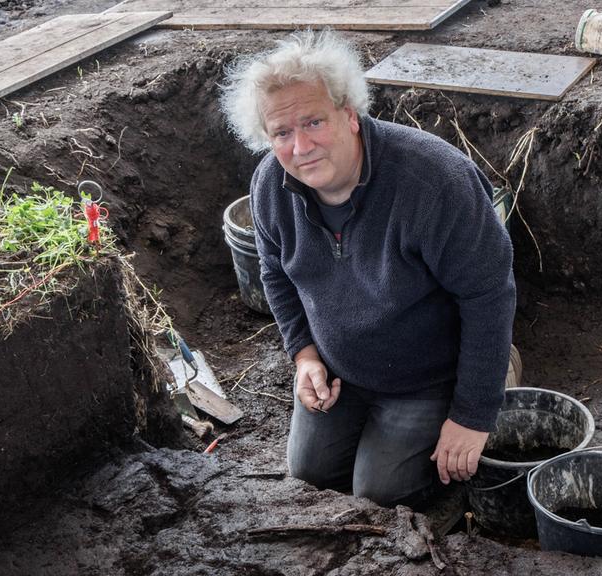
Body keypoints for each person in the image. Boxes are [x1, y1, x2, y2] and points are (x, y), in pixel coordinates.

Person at [220, 30, 516, 507]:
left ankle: (502, 370)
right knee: (309, 477)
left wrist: (473, 415)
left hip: (426, 375)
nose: (301, 147)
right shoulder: (271, 187)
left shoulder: (435, 182)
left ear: (350, 114)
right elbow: (274, 271)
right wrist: (304, 355)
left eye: (313, 122)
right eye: (282, 133)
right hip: (341, 369)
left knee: (380, 495)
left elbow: (488, 294)